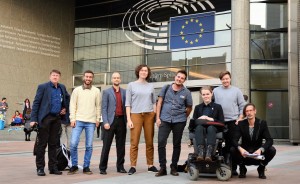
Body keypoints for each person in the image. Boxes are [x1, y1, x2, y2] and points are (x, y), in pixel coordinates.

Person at [30, 69, 70, 176]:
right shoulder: (43, 87)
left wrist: (64, 108)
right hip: (45, 118)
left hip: (56, 119)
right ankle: (40, 168)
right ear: (50, 76)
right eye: (53, 75)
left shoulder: (62, 87)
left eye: (57, 75)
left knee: (53, 145)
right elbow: (36, 103)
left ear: (59, 77)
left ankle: (53, 167)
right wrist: (33, 119)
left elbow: (67, 99)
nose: (55, 77)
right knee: (42, 145)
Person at [155, 70, 193, 177]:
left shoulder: (186, 92)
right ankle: (163, 167)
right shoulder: (166, 88)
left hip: (179, 121)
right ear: (175, 77)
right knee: (161, 143)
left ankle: (174, 167)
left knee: (177, 144)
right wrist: (157, 118)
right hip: (164, 119)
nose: (179, 79)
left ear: (184, 80)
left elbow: (189, 107)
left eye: (182, 78)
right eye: (178, 77)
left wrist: (184, 117)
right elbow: (159, 103)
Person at [125, 64, 158, 175]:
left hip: (149, 115)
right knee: (134, 142)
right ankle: (133, 166)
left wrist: (154, 113)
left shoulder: (151, 86)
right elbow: (128, 103)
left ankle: (150, 165)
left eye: (146, 71)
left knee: (150, 141)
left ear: (148, 73)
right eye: (142, 70)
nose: (144, 72)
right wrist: (129, 119)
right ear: (138, 72)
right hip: (135, 115)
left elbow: (154, 101)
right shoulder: (131, 85)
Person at [230, 103, 276, 179]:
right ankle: (242, 167)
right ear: (245, 113)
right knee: (232, 149)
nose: (249, 112)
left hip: (258, 154)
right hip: (245, 153)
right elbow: (234, 140)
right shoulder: (241, 124)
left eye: (251, 110)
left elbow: (269, 140)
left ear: (255, 111)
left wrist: (261, 150)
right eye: (247, 111)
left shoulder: (262, 123)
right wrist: (240, 149)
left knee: (272, 150)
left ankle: (261, 167)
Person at [68, 70, 101, 175]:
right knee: (73, 144)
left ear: (92, 78)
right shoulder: (77, 90)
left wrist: (97, 119)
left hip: (91, 122)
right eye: (86, 76)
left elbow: (98, 106)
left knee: (89, 146)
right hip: (78, 120)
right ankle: (74, 165)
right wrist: (72, 119)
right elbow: (72, 105)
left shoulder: (96, 91)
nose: (88, 78)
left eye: (90, 77)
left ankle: (86, 166)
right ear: (83, 77)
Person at [213, 71, 246, 175]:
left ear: (230, 78)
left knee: (233, 146)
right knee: (220, 145)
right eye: (223, 79)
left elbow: (242, 106)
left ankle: (234, 168)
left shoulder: (236, 91)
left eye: (227, 78)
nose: (225, 81)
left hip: (233, 122)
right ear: (221, 80)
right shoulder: (216, 90)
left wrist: (240, 118)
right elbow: (211, 104)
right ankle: (223, 166)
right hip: (220, 122)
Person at [99, 72, 127, 175]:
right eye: (114, 78)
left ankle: (120, 167)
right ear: (112, 80)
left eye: (118, 78)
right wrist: (105, 122)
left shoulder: (125, 92)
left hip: (121, 121)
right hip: (110, 122)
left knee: (121, 146)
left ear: (120, 79)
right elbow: (104, 108)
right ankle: (102, 168)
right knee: (106, 146)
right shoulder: (106, 92)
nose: (116, 79)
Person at [192, 86, 224, 162]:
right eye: (203, 94)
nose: (206, 96)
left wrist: (211, 119)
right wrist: (200, 118)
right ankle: (200, 153)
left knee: (211, 128)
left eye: (207, 94)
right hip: (201, 127)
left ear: (211, 94)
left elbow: (222, 122)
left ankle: (209, 153)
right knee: (199, 127)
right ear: (201, 95)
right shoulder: (197, 107)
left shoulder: (218, 107)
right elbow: (194, 121)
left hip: (213, 128)